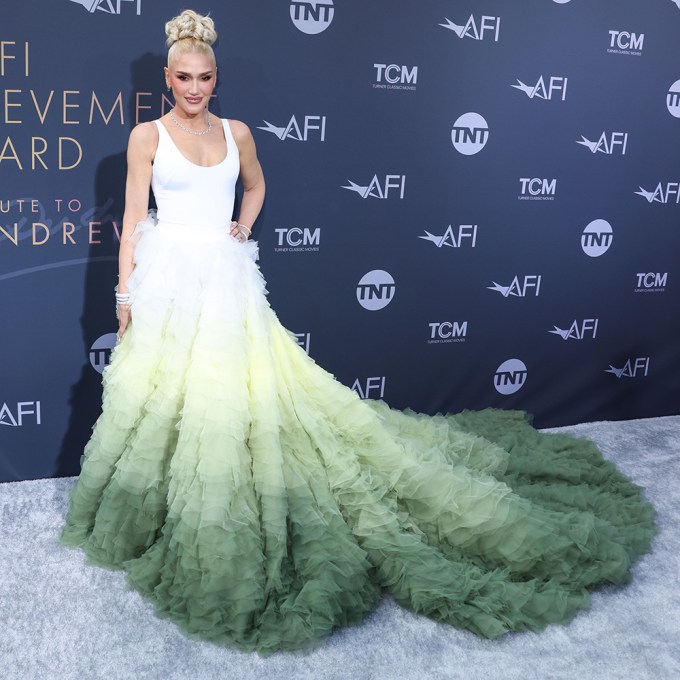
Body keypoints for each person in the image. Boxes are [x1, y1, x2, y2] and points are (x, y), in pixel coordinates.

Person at [61, 9, 657, 655]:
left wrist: (241, 224)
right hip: (168, 275)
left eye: (205, 76)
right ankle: (165, 507)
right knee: (165, 394)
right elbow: (130, 219)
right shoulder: (147, 136)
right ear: (168, 79)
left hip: (225, 277)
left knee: (230, 393)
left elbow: (256, 188)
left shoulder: (239, 133)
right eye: (184, 77)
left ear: (216, 76)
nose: (195, 87)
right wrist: (124, 295)